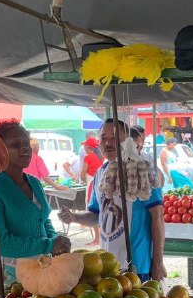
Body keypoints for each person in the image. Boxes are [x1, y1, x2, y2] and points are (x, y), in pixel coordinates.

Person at [59, 118, 166, 281]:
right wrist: (74, 217)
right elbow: (96, 215)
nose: (108, 143)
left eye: (115, 137)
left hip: (138, 264)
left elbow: (157, 216)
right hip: (108, 264)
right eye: (103, 138)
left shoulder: (141, 170)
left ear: (127, 141)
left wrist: (158, 261)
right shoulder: (100, 174)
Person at [0, 121, 70, 287]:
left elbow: (43, 219)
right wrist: (49, 245)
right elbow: (0, 244)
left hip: (40, 270)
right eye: (15, 145)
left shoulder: (34, 183)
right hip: (9, 281)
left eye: (26, 144)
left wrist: (55, 240)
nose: (25, 149)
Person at [79, 137, 103, 245]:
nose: (84, 147)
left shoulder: (88, 157)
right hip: (101, 184)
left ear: (88, 147)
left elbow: (82, 174)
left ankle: (97, 238)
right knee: (101, 210)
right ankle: (101, 237)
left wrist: (84, 180)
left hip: (91, 185)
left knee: (92, 211)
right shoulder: (101, 157)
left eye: (85, 145)